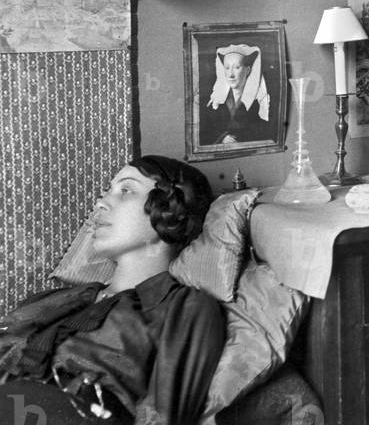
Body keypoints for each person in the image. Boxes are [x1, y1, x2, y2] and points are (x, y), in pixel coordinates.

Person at [0, 155, 224, 424]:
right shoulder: (54, 299)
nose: (100, 202)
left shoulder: (185, 307)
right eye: (108, 191)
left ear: (169, 210)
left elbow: (162, 416)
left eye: (125, 190)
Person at [202, 44, 271, 145]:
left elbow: (264, 133)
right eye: (227, 68)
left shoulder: (256, 102)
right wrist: (222, 138)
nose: (231, 74)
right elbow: (205, 132)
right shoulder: (216, 102)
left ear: (247, 70)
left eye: (237, 67)